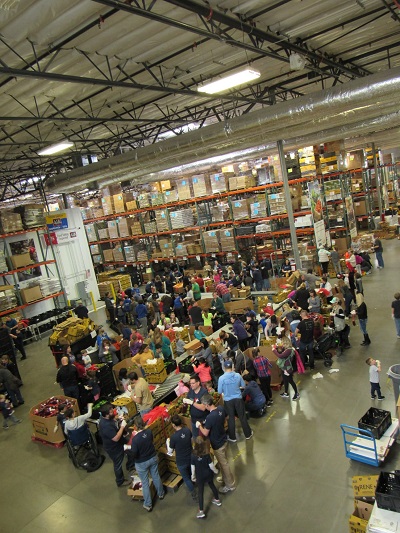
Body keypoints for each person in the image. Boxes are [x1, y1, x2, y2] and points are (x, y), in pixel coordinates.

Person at [198, 393, 235, 494]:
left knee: (224, 464)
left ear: (206, 405)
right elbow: (226, 418)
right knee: (223, 461)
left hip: (217, 444)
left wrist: (199, 426)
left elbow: (205, 432)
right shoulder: (220, 408)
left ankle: (230, 485)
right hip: (223, 439)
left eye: (203, 405)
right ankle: (224, 478)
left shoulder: (210, 417)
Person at [128, 417, 165, 512]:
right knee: (156, 475)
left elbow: (134, 453)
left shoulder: (135, 439)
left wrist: (129, 450)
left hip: (141, 462)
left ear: (135, 427)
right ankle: (161, 493)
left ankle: (148, 504)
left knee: (145, 483)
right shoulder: (149, 432)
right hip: (152, 458)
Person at [98, 404, 134, 487]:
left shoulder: (107, 418)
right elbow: (116, 438)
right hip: (114, 447)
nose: (113, 413)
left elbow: (113, 420)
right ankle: (120, 481)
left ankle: (130, 466)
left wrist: (118, 419)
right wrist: (122, 427)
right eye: (111, 412)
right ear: (106, 415)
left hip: (121, 441)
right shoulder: (105, 426)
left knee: (131, 449)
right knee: (117, 464)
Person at [218, 359, 253, 441]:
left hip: (228, 400)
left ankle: (232, 437)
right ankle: (248, 434)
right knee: (242, 416)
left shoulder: (221, 378)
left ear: (224, 367)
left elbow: (219, 391)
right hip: (238, 399)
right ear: (232, 366)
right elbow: (243, 385)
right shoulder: (237, 375)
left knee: (231, 418)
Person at [166, 414, 197, 500]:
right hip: (190, 457)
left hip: (181, 461)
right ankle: (194, 483)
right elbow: (191, 442)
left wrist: (168, 442)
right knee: (191, 473)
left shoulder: (173, 437)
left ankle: (193, 492)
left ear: (173, 425)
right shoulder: (187, 430)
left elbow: (170, 452)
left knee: (186, 478)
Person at [190, 437, 221, 519]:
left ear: (195, 445)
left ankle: (201, 511)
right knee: (212, 485)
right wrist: (216, 471)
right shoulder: (206, 454)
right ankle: (217, 500)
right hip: (208, 474)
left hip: (199, 476)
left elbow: (192, 468)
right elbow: (211, 465)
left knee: (200, 492)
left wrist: (193, 477)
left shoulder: (193, 456)